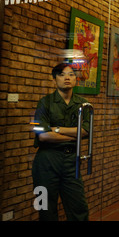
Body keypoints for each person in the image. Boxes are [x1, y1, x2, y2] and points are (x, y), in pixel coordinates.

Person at [32, 63, 91, 221]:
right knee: (45, 208)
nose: (67, 78)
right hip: (46, 162)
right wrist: (74, 134)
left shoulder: (83, 104)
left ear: (75, 79)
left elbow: (86, 131)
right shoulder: (45, 103)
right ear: (54, 79)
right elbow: (43, 136)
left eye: (71, 74)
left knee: (79, 208)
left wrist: (56, 129)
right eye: (62, 75)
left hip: (72, 161)